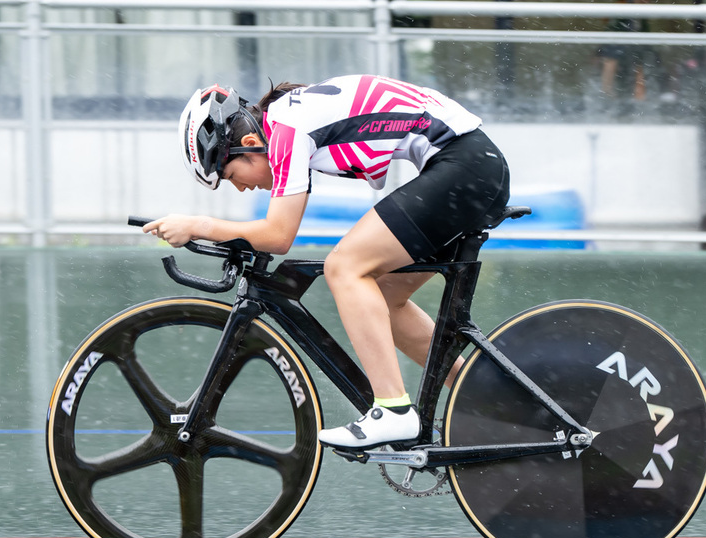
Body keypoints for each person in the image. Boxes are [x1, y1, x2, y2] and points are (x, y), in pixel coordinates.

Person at [143, 75, 510, 450]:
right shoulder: (287, 122)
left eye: (231, 175)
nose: (240, 187)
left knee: (344, 267)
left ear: (250, 145)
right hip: (470, 165)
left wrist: (198, 225)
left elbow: (278, 235)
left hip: (465, 167)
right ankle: (483, 395)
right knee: (382, 297)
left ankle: (394, 411)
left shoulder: (284, 131)